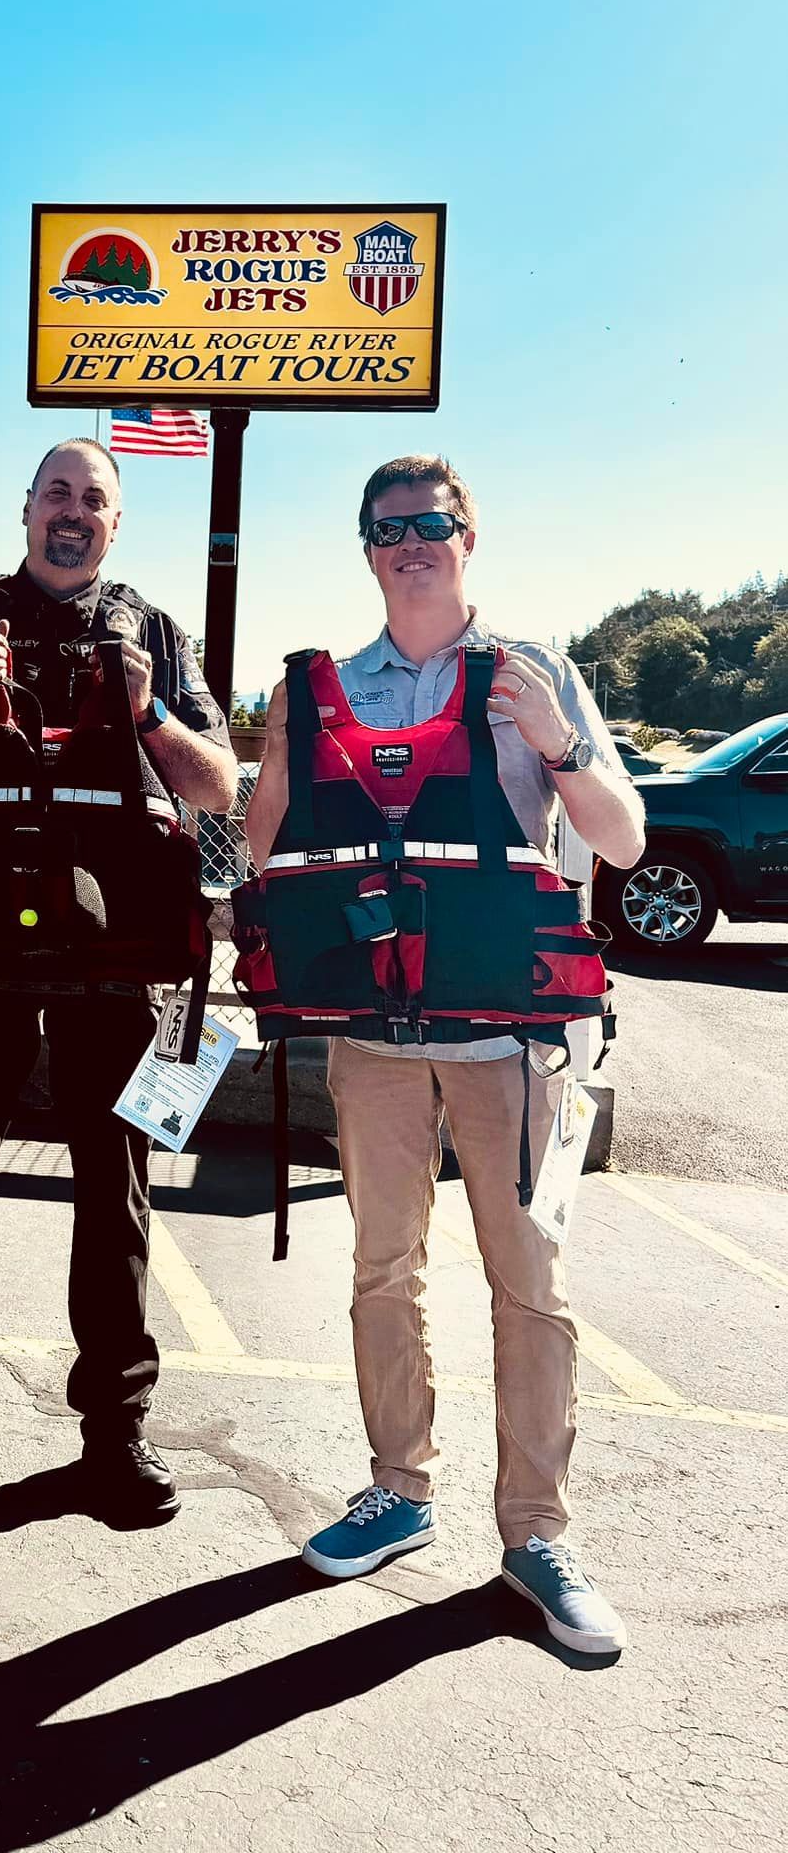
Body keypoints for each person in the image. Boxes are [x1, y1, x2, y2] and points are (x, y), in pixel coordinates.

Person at [244, 454, 645, 1654]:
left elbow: (621, 840)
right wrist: (278, 767)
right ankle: (397, 1487)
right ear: (366, 548)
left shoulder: (534, 672)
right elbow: (265, 850)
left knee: (528, 1283)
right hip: (372, 1036)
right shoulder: (318, 688)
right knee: (381, 1267)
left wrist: (556, 743)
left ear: (467, 534)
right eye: (387, 527)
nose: (409, 540)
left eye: (429, 521)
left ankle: (534, 1533)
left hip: (510, 1039)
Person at [0, 438, 237, 1520]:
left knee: (115, 1190)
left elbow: (217, 786)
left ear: (115, 521)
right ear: (25, 508)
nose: (72, 512)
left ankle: (115, 1429)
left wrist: (150, 711)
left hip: (115, 957)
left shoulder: (155, 630)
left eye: (92, 499)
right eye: (56, 493)